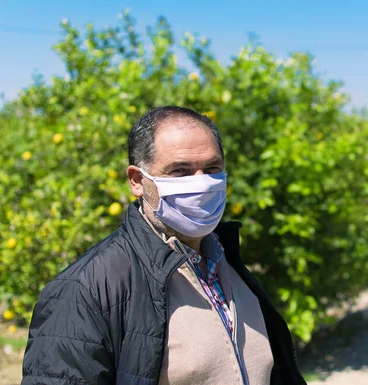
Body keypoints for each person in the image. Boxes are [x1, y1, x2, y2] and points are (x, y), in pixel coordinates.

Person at [22, 106, 307, 385]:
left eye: (212, 168)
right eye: (180, 171)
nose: (202, 183)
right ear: (137, 180)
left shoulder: (228, 262)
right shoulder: (86, 289)